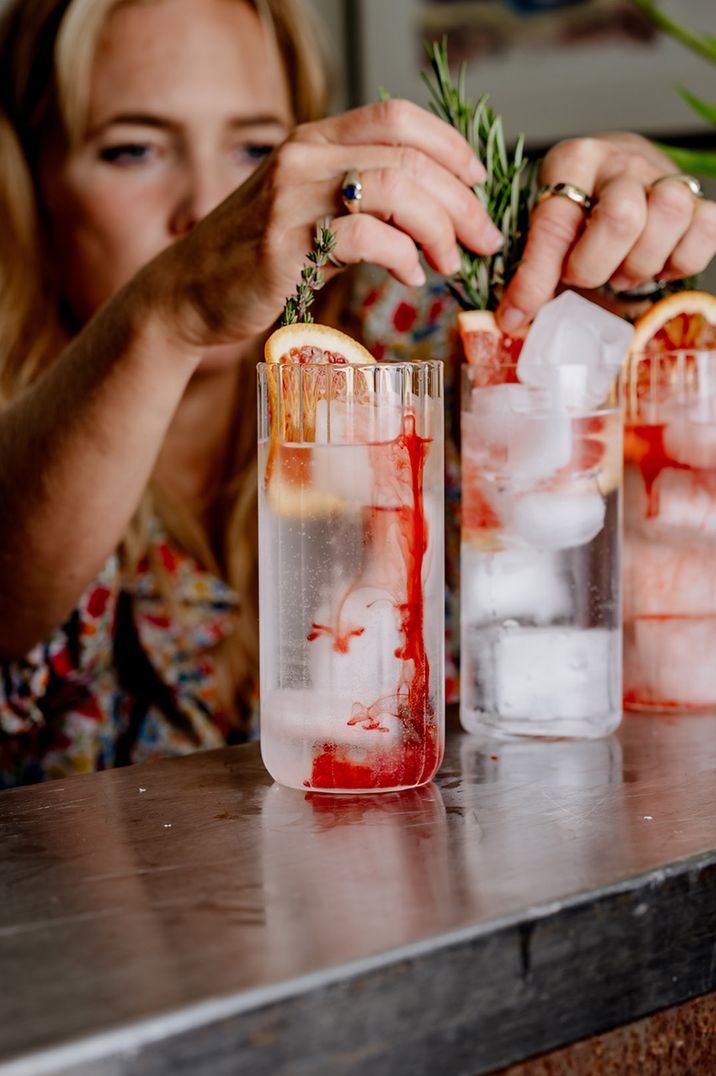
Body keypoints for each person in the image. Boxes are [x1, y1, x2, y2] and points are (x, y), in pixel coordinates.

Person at [0, 0, 713, 787]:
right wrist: (171, 308)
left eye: (255, 147)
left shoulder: (399, 345)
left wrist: (626, 256)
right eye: (133, 149)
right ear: (29, 179)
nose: (205, 209)